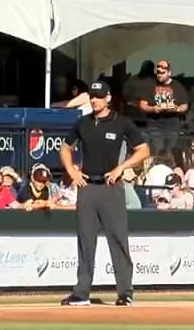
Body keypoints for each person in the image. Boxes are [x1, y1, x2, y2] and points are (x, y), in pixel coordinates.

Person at [59, 81, 150, 307]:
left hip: (111, 186)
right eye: (92, 96)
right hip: (88, 186)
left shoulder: (121, 122)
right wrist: (71, 170)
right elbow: (65, 147)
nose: (94, 100)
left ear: (108, 98)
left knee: (118, 239)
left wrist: (122, 167)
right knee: (85, 241)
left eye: (99, 96)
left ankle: (125, 292)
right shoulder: (83, 123)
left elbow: (144, 149)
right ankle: (81, 293)